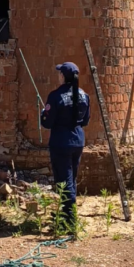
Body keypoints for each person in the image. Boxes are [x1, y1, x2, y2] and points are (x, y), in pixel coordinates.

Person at [40, 62, 91, 230]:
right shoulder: (84, 95)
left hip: (61, 142)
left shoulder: (55, 96)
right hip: (77, 140)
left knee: (64, 180)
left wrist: (43, 114)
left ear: (62, 76)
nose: (58, 76)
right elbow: (85, 120)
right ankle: (66, 212)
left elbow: (47, 123)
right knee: (71, 179)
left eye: (59, 73)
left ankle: (68, 221)